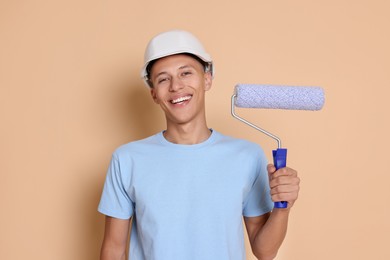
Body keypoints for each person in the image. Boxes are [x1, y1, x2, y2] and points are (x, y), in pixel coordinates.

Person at [98, 30, 300, 260]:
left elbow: (265, 251)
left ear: (207, 79)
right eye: (163, 79)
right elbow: (113, 250)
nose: (176, 86)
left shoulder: (247, 156)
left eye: (186, 73)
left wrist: (283, 208)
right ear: (154, 94)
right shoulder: (127, 160)